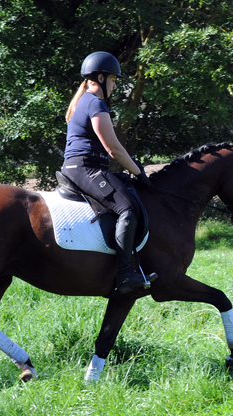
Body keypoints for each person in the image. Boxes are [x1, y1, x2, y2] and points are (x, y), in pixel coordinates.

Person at [62, 51, 154, 295]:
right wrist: (139, 171)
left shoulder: (84, 101)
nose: (114, 85)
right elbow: (113, 148)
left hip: (80, 166)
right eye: (113, 80)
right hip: (85, 168)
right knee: (128, 209)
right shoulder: (94, 102)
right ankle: (125, 275)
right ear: (100, 78)